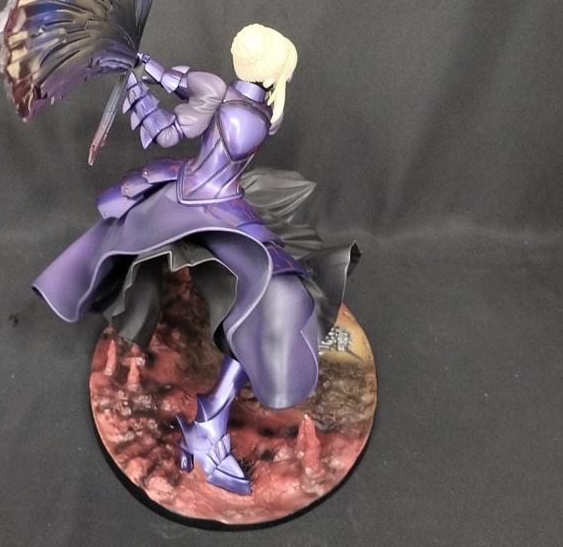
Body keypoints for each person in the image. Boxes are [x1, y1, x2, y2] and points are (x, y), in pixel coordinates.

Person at [33, 24, 359, 494]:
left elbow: (174, 82)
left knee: (280, 283)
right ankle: (210, 421)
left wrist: (142, 69)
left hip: (215, 197)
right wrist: (139, 91)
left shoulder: (223, 93)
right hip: (205, 206)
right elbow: (169, 129)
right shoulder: (243, 114)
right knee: (279, 289)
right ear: (274, 72)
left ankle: (212, 413)